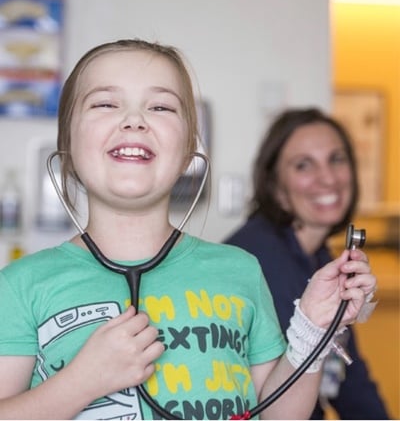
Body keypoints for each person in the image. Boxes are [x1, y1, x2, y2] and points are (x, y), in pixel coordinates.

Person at [0, 41, 376, 421]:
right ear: (68, 143)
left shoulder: (240, 270)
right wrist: (82, 382)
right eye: (105, 104)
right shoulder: (20, 286)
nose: (134, 120)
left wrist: (311, 328)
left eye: (161, 106)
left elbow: (279, 415)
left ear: (187, 153)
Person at [224, 107, 390, 420]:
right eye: (304, 165)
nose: (327, 178)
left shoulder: (320, 257)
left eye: (336, 159)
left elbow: (347, 376)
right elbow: (280, 398)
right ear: (276, 188)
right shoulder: (258, 259)